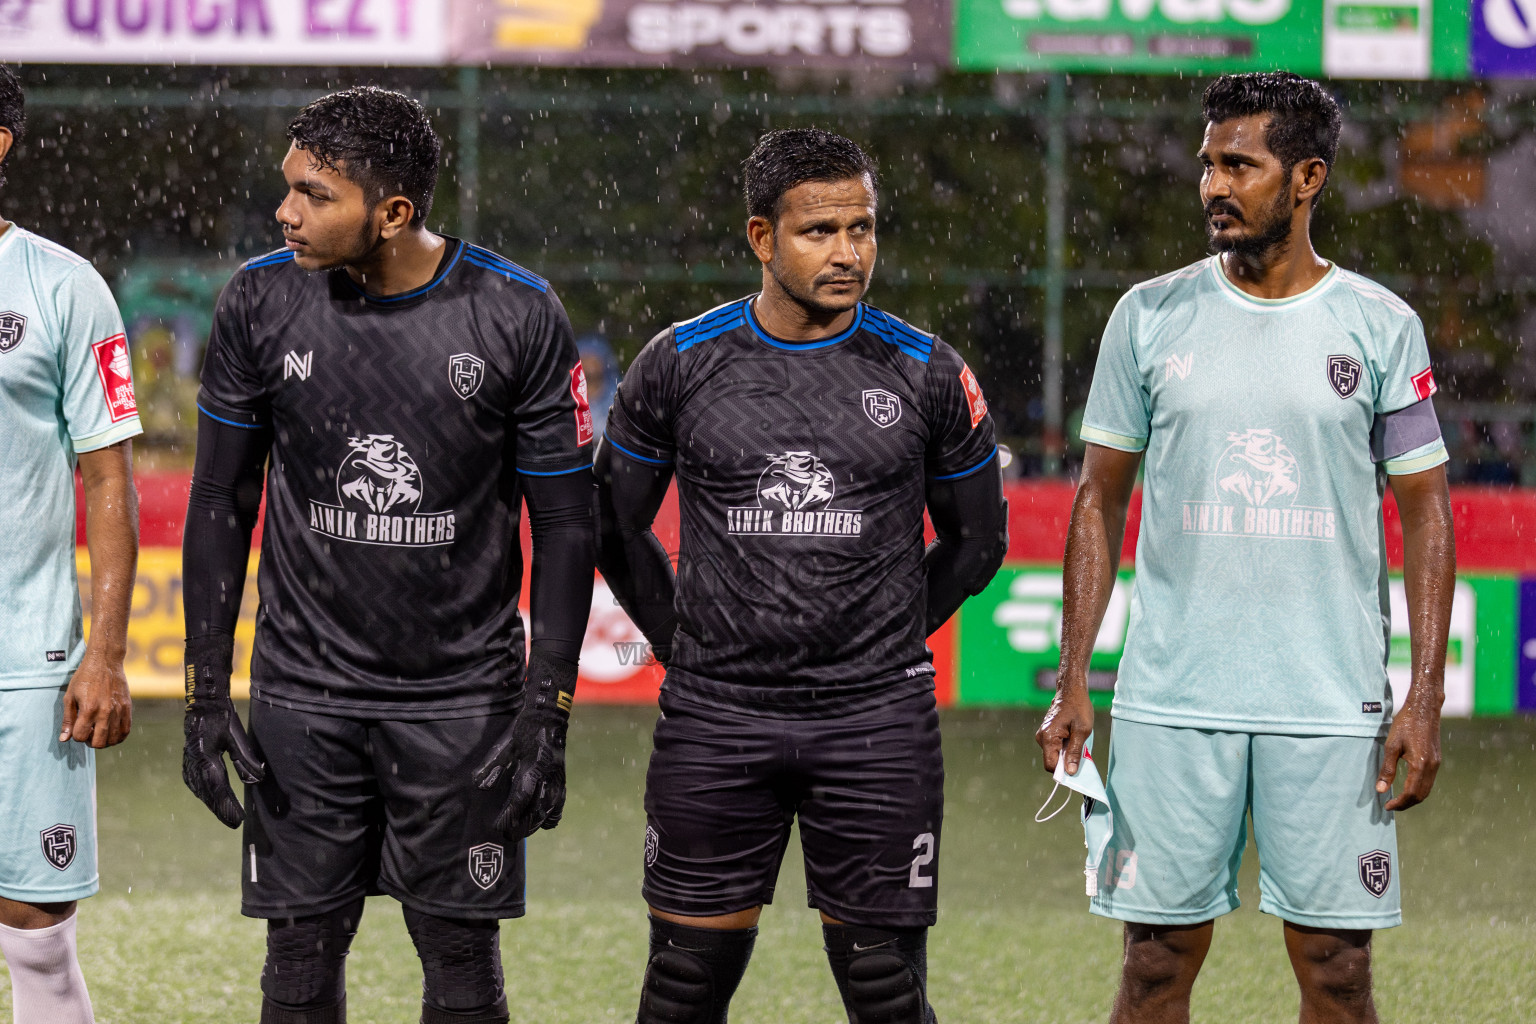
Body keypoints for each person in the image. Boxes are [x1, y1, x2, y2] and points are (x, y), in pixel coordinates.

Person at [1036, 72, 1455, 1024]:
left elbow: (1428, 513)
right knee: (1152, 968)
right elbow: (1098, 501)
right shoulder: (1147, 318)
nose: (1214, 185)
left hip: (1329, 702)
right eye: (1207, 165)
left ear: (1307, 178)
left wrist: (1423, 695)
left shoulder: (1381, 326)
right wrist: (1072, 678)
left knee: (1339, 972)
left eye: (1240, 164)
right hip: (1173, 701)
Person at [179, 87, 595, 1024]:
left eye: (316, 195)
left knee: (457, 958)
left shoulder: (516, 313)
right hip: (303, 692)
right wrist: (208, 692)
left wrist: (547, 714)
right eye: (288, 188)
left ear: (395, 211)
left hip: (461, 699)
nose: (286, 212)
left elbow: (568, 525)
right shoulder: (260, 298)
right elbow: (220, 501)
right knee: (298, 958)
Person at [596, 128, 1008, 1024]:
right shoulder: (679, 362)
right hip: (716, 720)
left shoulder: (927, 369)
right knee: (681, 989)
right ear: (760, 239)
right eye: (820, 231)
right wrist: (685, 643)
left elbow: (979, 543)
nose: (849, 252)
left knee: (886, 990)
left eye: (863, 228)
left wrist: (885, 638)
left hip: (875, 724)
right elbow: (612, 524)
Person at [0, 63, 139, 1024]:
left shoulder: (62, 286)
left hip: (26, 659)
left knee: (35, 940)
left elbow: (108, 481)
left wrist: (108, 653)